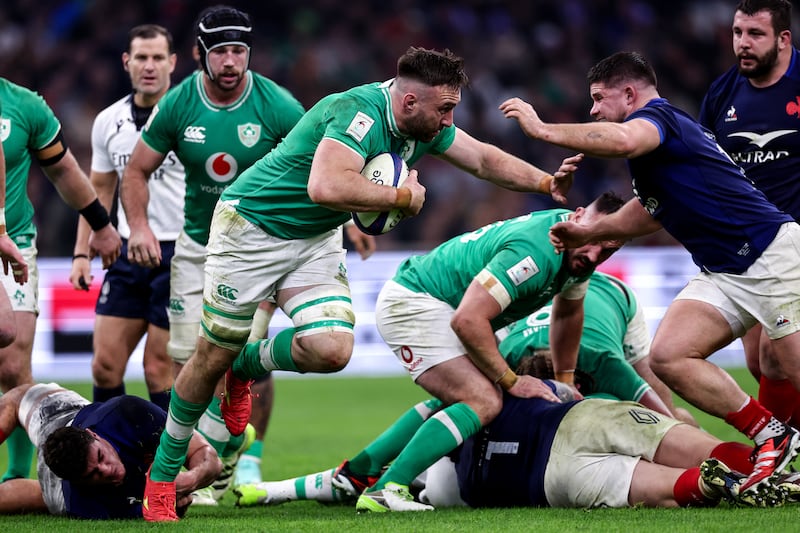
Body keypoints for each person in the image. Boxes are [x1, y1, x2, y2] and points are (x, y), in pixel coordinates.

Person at [140, 44, 575, 521]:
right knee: (209, 355)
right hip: (250, 230)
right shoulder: (356, 112)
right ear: (410, 103)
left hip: (313, 238)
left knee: (332, 350)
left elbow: (484, 160)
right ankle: (161, 476)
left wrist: (543, 183)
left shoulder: (424, 125)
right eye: (445, 109)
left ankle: (246, 364)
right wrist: (401, 197)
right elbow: (324, 187)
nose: (450, 121)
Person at [499, 50, 800, 505]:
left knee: (792, 369)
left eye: (599, 99)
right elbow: (648, 213)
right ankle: (771, 435)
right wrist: (590, 229)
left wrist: (543, 131)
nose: (594, 110)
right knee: (669, 355)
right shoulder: (657, 152)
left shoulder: (658, 120)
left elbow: (621, 140)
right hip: (724, 269)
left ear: (629, 93)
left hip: (771, 255)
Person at [119, 5, 307, 504]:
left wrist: (344, 222)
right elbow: (135, 171)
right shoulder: (179, 105)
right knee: (189, 361)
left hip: (262, 248)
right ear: (201, 54)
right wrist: (137, 226)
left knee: (242, 354)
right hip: (198, 247)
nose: (230, 62)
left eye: (239, 51)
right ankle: (215, 452)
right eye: (220, 51)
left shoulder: (278, 105)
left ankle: (237, 457)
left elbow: (321, 163)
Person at [234, 390, 768, 510]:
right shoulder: (461, 406)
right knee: (678, 443)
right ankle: (760, 465)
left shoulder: (447, 488)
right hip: (573, 417)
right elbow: (354, 474)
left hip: (551, 483)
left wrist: (271, 491)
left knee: (672, 487)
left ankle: (706, 483)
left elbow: (346, 479)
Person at [0, 77, 122, 483]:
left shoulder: (24, 106)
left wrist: (100, 225)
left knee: (14, 361)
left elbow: (64, 170)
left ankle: (16, 474)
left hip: (12, 245)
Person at [70, 24, 183, 412]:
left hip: (180, 254)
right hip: (124, 253)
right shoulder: (108, 121)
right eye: (141, 57)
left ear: (172, 63)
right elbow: (97, 191)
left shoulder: (190, 116)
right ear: (126, 62)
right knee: (104, 367)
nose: (149, 66)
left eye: (157, 58)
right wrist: (81, 252)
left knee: (157, 369)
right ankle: (114, 458)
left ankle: (165, 465)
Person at [698, 0, 800, 428]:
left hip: (793, 246)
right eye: (738, 33)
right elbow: (702, 166)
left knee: (775, 361)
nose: (743, 43)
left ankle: (774, 457)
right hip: (748, 251)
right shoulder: (722, 96)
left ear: (783, 39)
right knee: (761, 368)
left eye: (755, 34)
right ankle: (785, 451)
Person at [500, 270, 697, 425]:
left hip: (612, 294)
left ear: (577, 385)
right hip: (534, 297)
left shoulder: (604, 362)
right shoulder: (505, 357)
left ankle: (688, 424)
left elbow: (667, 424)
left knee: (667, 418)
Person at [0, 382, 221, 518]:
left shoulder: (128, 413)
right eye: (94, 474)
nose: (106, 470)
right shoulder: (82, 501)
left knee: (20, 397)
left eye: (100, 457)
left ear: (94, 435)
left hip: (66, 415)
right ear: (81, 482)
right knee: (41, 498)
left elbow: (208, 457)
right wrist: (174, 503)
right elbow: (157, 510)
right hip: (61, 487)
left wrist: (191, 479)